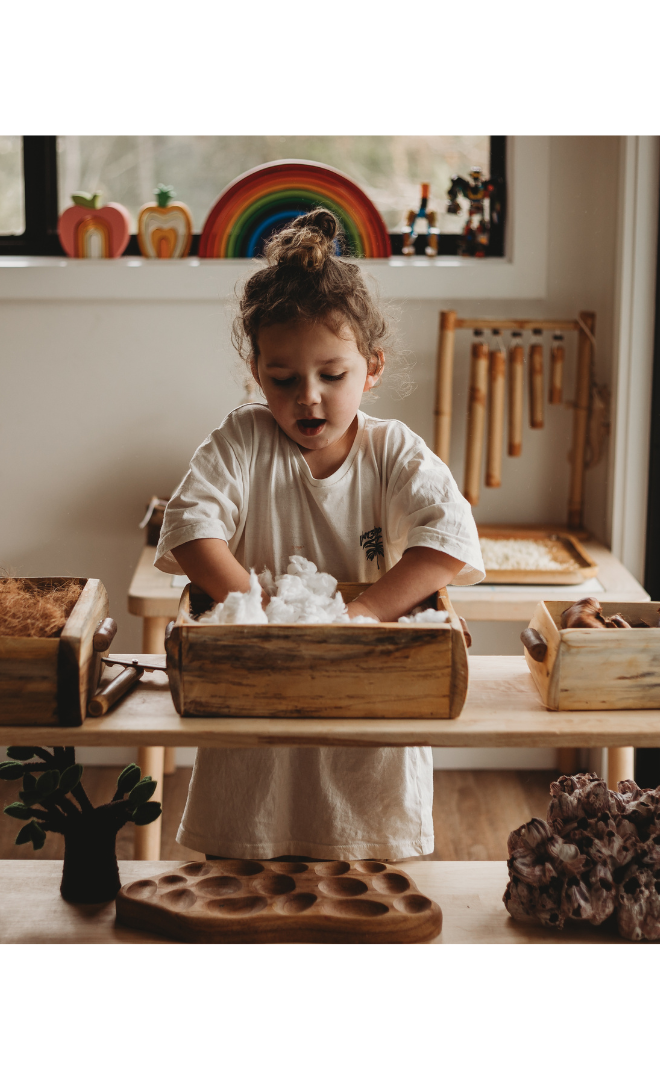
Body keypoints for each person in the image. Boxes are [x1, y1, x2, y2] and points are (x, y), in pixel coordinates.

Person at [155, 208, 484, 861]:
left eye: (333, 376)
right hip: (258, 697)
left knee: (362, 880)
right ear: (257, 370)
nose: (309, 398)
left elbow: (447, 539)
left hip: (365, 698)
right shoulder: (242, 441)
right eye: (283, 379)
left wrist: (360, 613)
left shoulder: (393, 450)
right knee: (248, 883)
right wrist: (261, 609)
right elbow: (191, 530)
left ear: (374, 367)